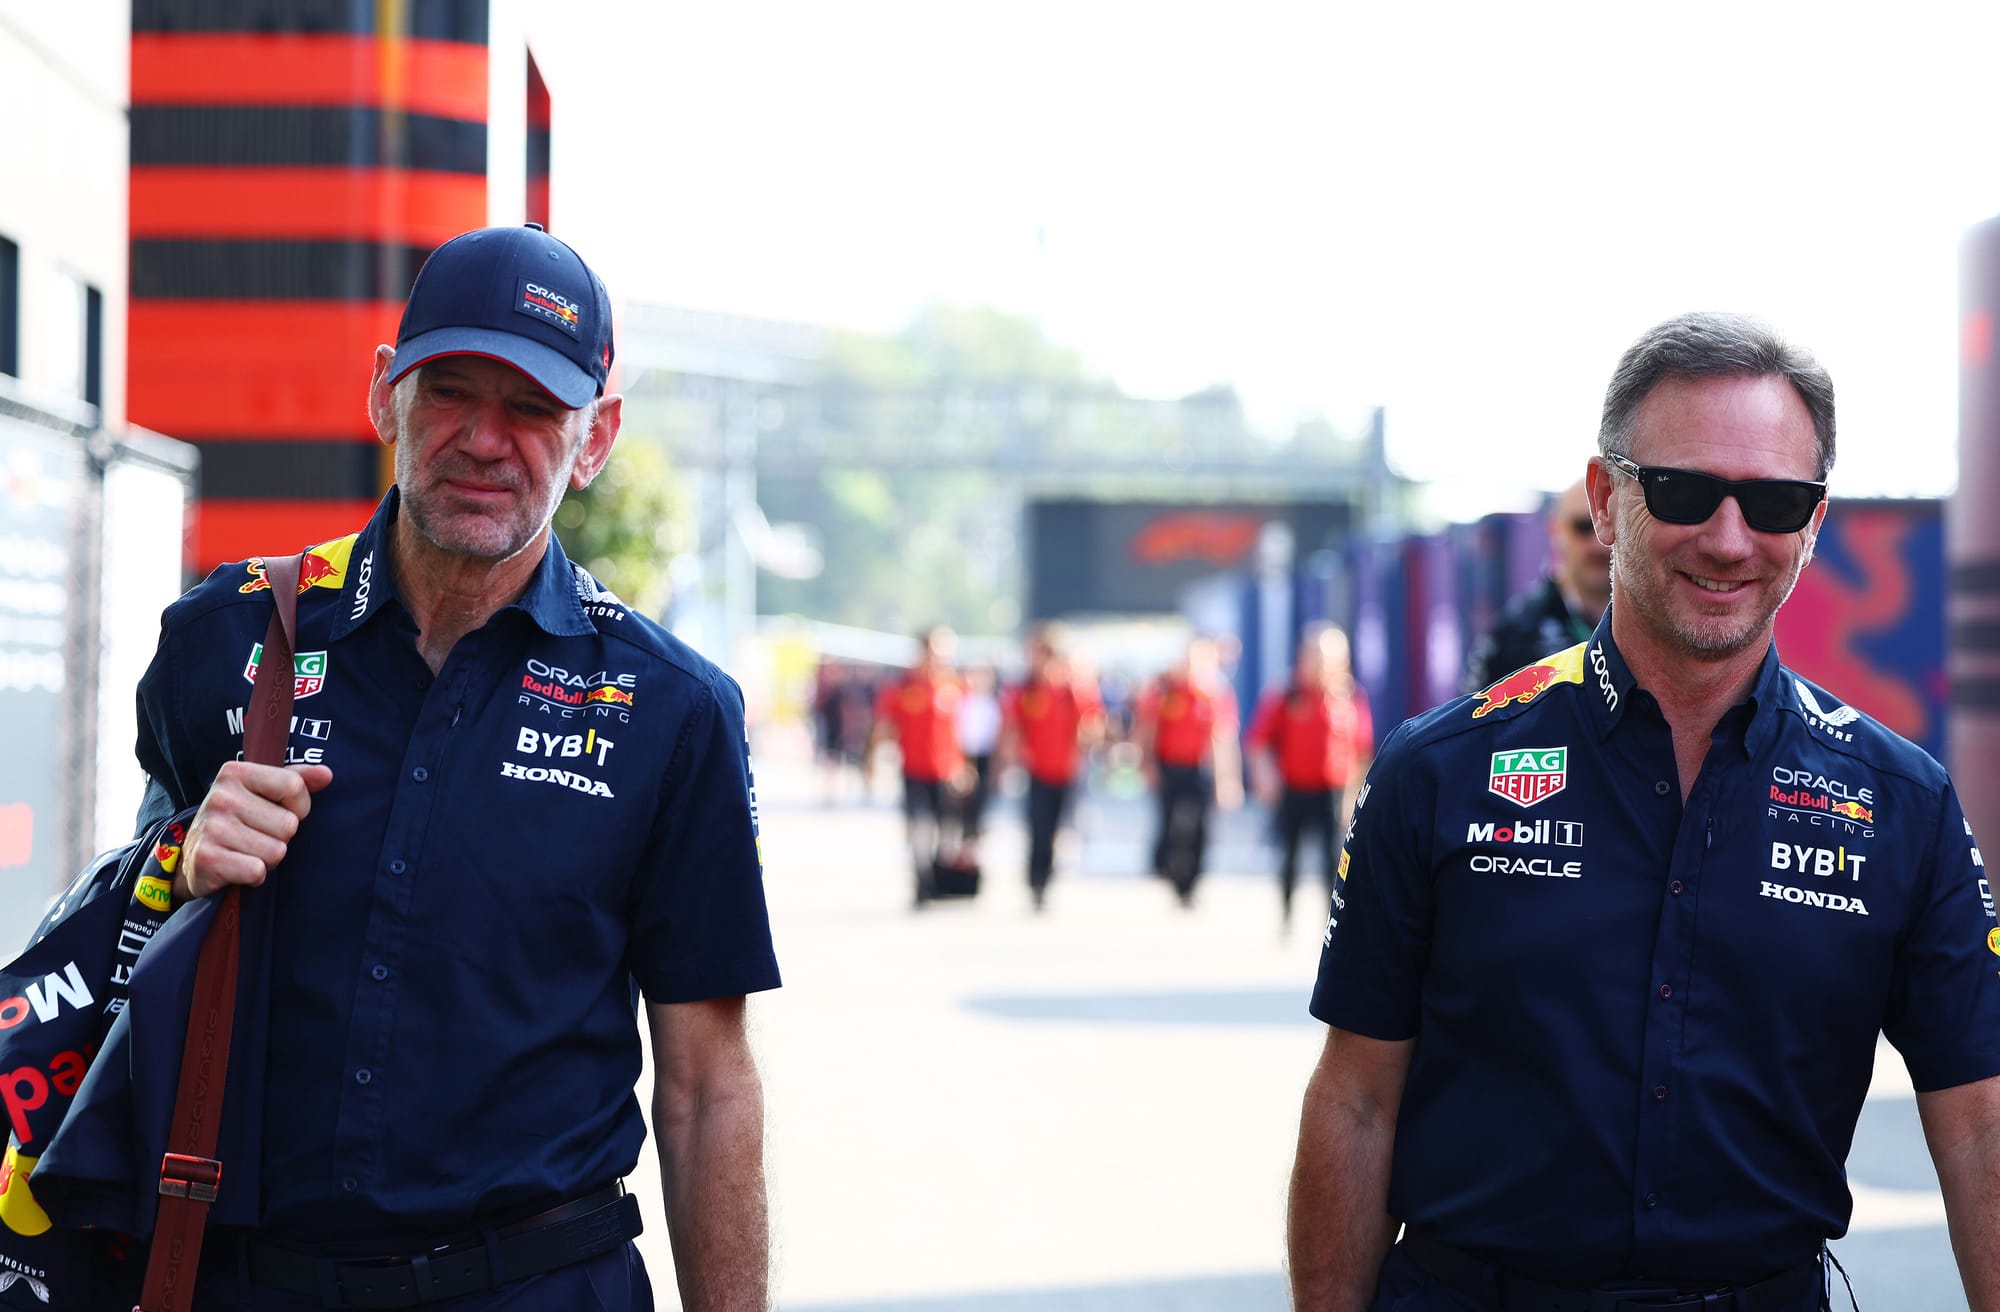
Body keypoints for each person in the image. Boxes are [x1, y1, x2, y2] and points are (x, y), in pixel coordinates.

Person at [123, 224, 779, 1310]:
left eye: (531, 406)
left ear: (596, 435)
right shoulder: (221, 640)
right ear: (385, 394)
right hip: (250, 1281)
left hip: (537, 1284)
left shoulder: (673, 710)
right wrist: (181, 861)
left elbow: (708, 1083)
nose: (483, 438)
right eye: (450, 391)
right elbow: (113, 941)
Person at [1287, 312, 2000, 1310]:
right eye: (1680, 490)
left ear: (1814, 522)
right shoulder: (1436, 771)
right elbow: (1356, 1099)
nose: (1726, 536)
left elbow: (1977, 1121)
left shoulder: (1902, 807)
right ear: (1604, 498)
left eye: (1771, 500)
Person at [1244, 623, 1373, 931]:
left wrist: (1354, 797)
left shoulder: (1350, 697)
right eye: (1314, 655)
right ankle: (1286, 914)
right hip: (1294, 787)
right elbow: (1259, 741)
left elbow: (1361, 750)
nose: (1320, 663)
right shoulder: (1286, 694)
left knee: (1335, 859)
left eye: (1328, 657)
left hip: (1332, 789)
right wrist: (1265, 776)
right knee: (1289, 854)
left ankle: (1332, 920)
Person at [1462, 475, 1612, 693]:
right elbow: (1474, 720)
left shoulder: (1656, 627)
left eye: (1609, 525)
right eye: (1583, 527)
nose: (1599, 544)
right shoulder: (1512, 638)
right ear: (1556, 531)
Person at [999, 622, 1104, 910]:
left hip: (1068, 771)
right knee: (1038, 827)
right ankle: (1036, 882)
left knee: (1061, 829)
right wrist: (1011, 760)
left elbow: (1092, 728)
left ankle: (1049, 876)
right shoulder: (1026, 689)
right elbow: (1012, 728)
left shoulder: (1074, 690)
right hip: (1037, 771)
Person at [1134, 635, 1242, 906]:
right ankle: (1170, 871)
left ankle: (1190, 882)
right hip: (1170, 767)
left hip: (1200, 769)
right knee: (1173, 824)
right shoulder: (1166, 691)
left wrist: (1227, 780)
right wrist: (1146, 764)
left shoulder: (1215, 694)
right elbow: (1149, 730)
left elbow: (1223, 740)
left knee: (1199, 828)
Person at [869, 625, 968, 905]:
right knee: (919, 830)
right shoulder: (903, 685)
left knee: (944, 832)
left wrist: (962, 766)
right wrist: (873, 759)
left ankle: (938, 882)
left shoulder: (953, 686)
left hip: (946, 772)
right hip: (914, 770)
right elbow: (885, 725)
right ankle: (922, 887)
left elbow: (958, 731)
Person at [955, 664, 1003, 852]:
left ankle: (974, 832)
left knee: (981, 794)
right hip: (965, 754)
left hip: (985, 755)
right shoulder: (963, 701)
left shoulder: (993, 703)